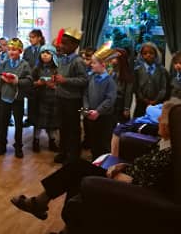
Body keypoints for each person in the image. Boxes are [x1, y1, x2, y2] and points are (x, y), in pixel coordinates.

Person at [11, 97, 180, 233]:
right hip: (127, 175)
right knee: (76, 169)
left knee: (79, 172)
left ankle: (44, 206)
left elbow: (152, 182)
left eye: (162, 118)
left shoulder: (171, 154)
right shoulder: (166, 142)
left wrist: (124, 176)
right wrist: (124, 166)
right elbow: (144, 166)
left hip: (131, 189)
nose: (158, 119)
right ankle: (59, 219)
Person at [53, 28, 88, 164]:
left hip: (73, 100)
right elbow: (61, 76)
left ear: (75, 46)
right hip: (60, 97)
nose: (61, 46)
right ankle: (63, 152)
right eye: (61, 43)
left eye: (65, 44)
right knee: (62, 127)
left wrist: (65, 80)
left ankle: (73, 155)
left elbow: (84, 80)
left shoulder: (78, 61)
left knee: (73, 128)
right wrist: (56, 79)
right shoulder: (62, 59)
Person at [0, 38, 32, 158]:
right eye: (9, 49)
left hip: (17, 99)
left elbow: (29, 80)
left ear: (20, 51)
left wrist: (17, 81)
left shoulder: (24, 64)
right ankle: (1, 145)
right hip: (5, 97)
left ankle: (18, 146)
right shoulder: (4, 63)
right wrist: (2, 78)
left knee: (18, 124)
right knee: (3, 123)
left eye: (14, 50)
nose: (11, 52)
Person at [82, 46, 117, 159]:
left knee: (104, 143)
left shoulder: (110, 81)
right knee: (94, 141)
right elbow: (86, 94)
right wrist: (87, 108)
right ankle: (95, 159)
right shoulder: (91, 77)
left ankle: (103, 164)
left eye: (94, 63)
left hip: (104, 117)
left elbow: (110, 99)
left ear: (103, 64)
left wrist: (98, 111)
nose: (91, 65)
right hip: (92, 116)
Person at [30, 44, 60, 153]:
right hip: (40, 99)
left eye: (48, 53)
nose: (45, 55)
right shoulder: (37, 68)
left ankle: (52, 141)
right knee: (38, 123)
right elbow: (30, 82)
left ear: (53, 55)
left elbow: (61, 83)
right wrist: (38, 83)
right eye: (43, 53)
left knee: (52, 123)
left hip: (53, 99)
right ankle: (36, 141)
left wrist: (54, 85)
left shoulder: (57, 68)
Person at [133, 42, 168, 117]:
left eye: (151, 53)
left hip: (158, 104)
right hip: (141, 104)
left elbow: (163, 88)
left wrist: (155, 101)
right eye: (145, 53)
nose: (148, 55)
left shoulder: (162, 70)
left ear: (156, 54)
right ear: (141, 55)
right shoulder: (137, 70)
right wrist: (143, 99)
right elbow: (137, 88)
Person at [23, 29, 45, 128]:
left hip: (41, 78)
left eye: (33, 37)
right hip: (30, 79)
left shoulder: (44, 49)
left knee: (40, 100)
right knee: (31, 100)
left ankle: (39, 120)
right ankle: (30, 119)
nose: (30, 39)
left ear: (39, 38)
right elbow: (24, 64)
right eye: (30, 37)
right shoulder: (27, 50)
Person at [109, 48, 134, 124]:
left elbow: (128, 93)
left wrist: (126, 108)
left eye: (114, 57)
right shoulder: (110, 70)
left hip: (120, 103)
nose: (112, 59)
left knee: (120, 126)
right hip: (110, 102)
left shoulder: (126, 74)